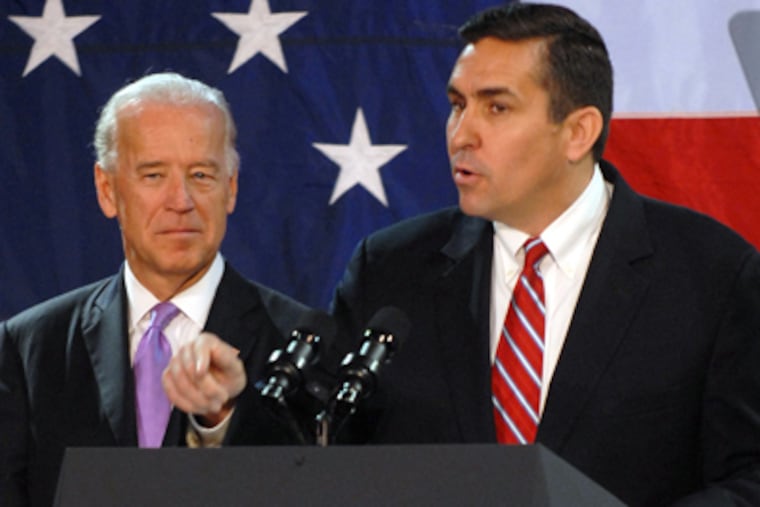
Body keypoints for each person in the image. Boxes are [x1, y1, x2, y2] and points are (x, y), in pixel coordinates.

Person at [329, 3, 760, 506]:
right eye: (456, 104)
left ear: (578, 132)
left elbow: (750, 477)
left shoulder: (712, 273)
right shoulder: (388, 268)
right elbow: (331, 458)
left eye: (496, 108)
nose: (461, 134)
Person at [0, 72, 313, 507]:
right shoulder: (30, 346)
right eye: (153, 175)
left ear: (231, 188)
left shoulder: (302, 342)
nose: (180, 200)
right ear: (107, 190)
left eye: (201, 174)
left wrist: (221, 422)